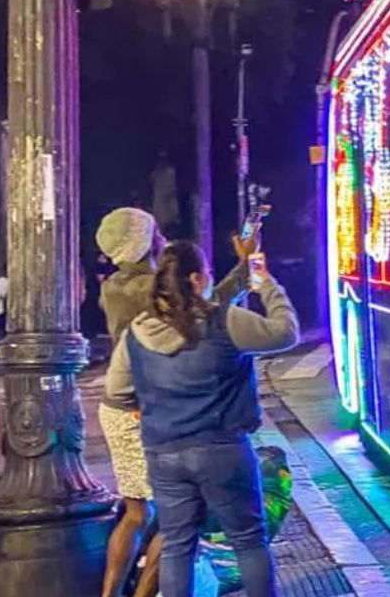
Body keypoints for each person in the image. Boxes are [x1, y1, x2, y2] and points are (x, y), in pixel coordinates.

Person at [106, 240, 299, 597]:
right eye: (208, 274)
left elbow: (116, 391)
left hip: (164, 454)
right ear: (196, 280)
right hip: (221, 450)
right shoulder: (224, 321)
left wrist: (151, 400)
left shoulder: (136, 331)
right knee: (248, 541)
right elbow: (285, 332)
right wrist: (260, 274)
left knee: (179, 545)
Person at [95, 207, 257, 597]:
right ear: (148, 241)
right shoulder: (153, 286)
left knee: (136, 513)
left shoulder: (113, 286)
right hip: (148, 404)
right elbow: (206, 307)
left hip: (116, 405)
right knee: (179, 522)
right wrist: (244, 266)